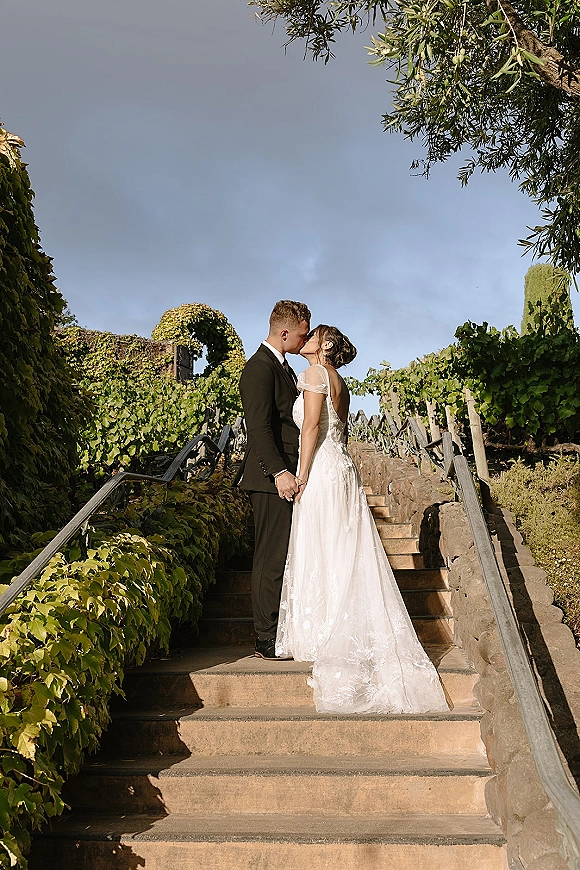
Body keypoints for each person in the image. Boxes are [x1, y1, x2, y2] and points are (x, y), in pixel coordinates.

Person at [275, 325, 449, 714]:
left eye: (313, 336)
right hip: (342, 468)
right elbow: (342, 432)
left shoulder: (314, 375)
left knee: (322, 545)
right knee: (342, 547)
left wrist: (301, 474)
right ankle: (341, 622)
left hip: (320, 469)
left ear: (326, 346)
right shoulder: (340, 382)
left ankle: (325, 628)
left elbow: (310, 428)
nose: (306, 341)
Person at [237, 300, 311, 660]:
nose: (305, 339)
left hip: (286, 474)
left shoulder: (281, 368)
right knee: (270, 556)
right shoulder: (258, 368)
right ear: (284, 333)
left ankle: (280, 629)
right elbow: (260, 428)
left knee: (283, 555)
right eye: (301, 334)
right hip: (269, 479)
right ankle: (265, 638)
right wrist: (280, 472)